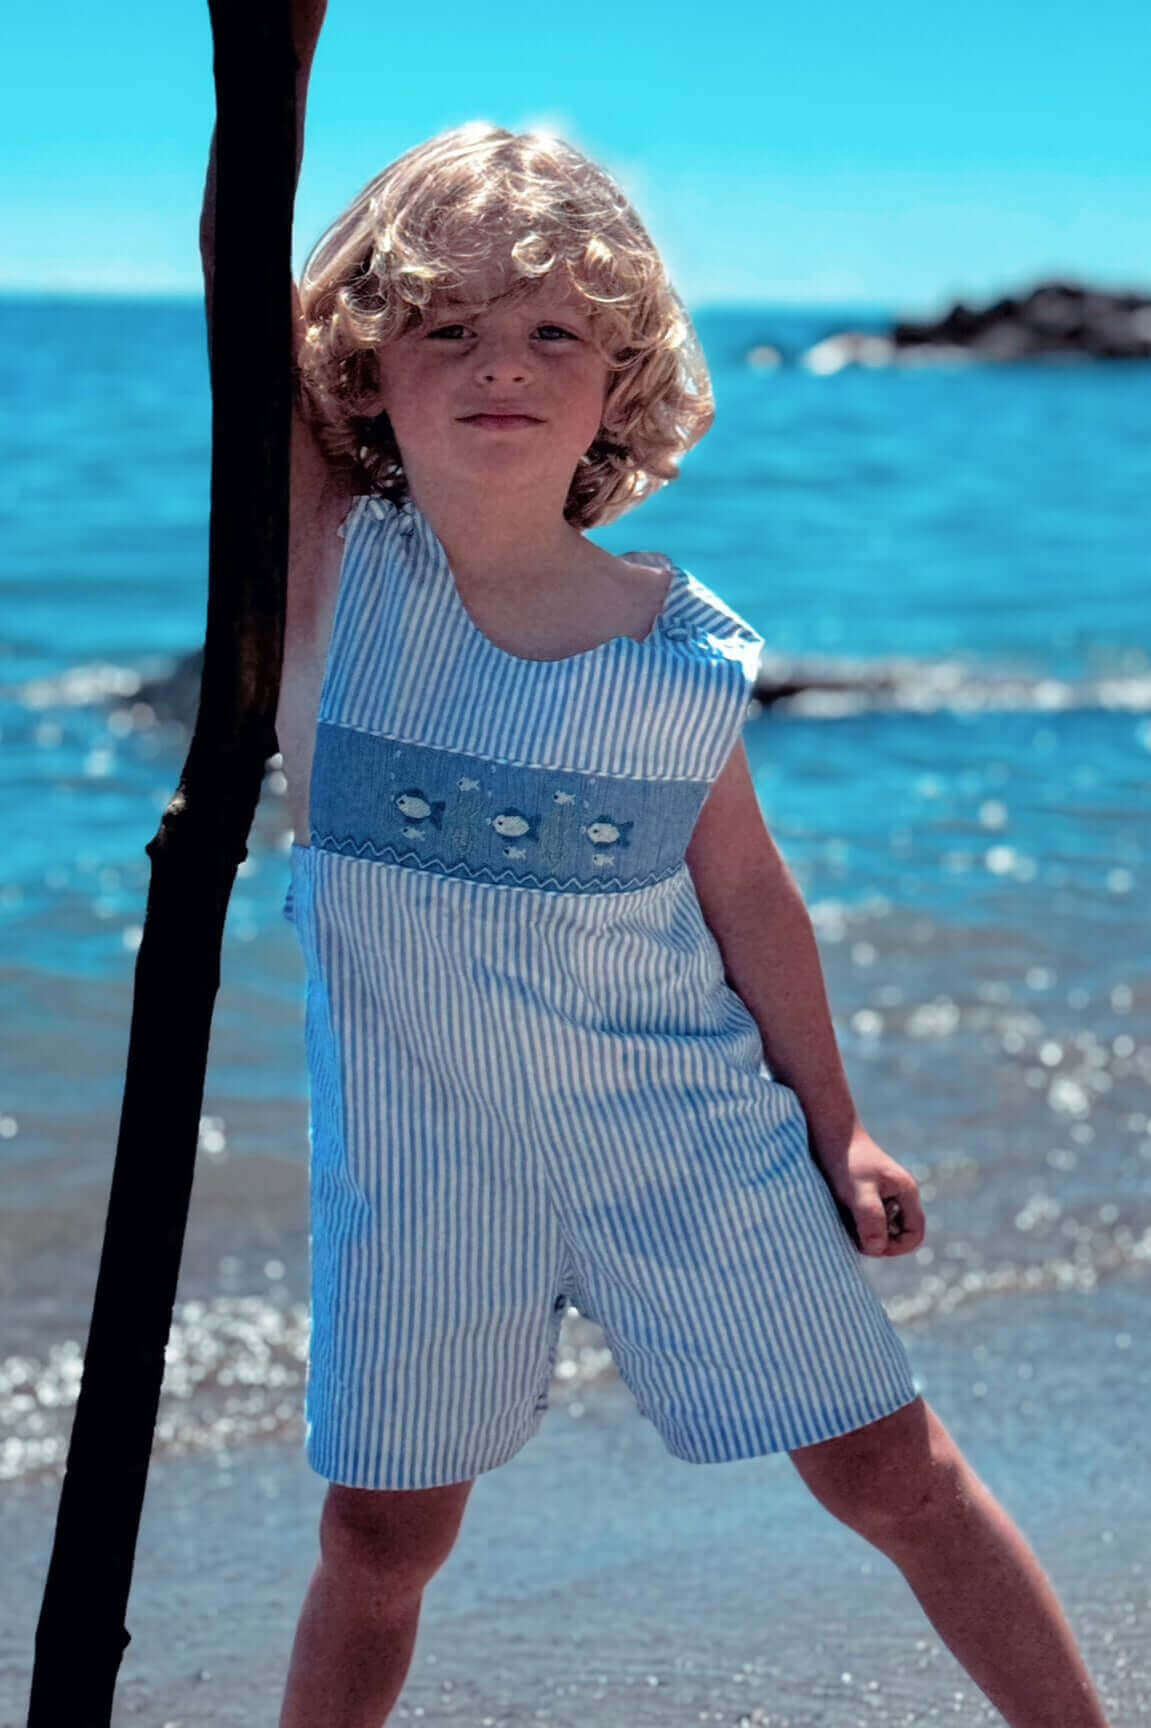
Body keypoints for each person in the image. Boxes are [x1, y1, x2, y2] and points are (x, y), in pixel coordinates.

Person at [197, 9, 1113, 1727]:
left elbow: (751, 900)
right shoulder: (334, 575)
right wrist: (278, 55)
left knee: (889, 1474)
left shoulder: (680, 656)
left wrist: (837, 1118)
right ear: (366, 363)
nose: (503, 363)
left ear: (620, 378)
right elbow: (244, 290)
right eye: (449, 326)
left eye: (554, 329)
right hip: (427, 1161)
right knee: (381, 1537)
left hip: (685, 1133)